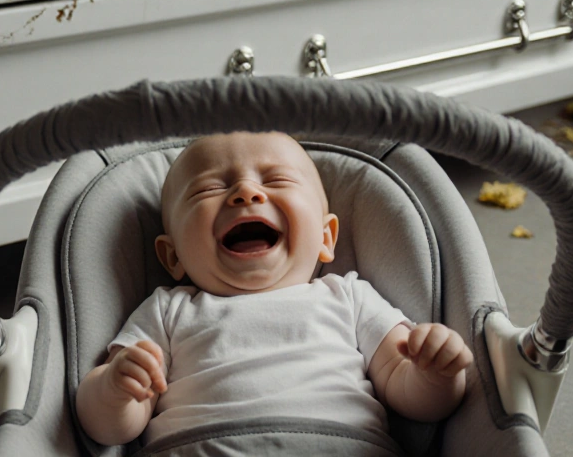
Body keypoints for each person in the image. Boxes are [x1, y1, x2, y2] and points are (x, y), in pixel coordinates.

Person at [76, 132, 474, 447]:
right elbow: (109, 429)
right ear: (172, 255)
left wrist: (435, 374)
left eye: (277, 180)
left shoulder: (348, 296)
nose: (246, 193)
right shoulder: (167, 310)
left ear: (326, 237)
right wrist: (114, 389)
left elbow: (416, 399)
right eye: (209, 189)